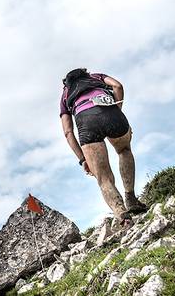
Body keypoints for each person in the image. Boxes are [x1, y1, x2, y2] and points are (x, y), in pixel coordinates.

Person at [59, 68, 147, 226]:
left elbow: (68, 132)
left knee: (103, 178)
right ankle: (131, 198)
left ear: (67, 83)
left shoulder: (65, 94)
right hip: (111, 113)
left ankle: (123, 216)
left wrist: (82, 159)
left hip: (86, 123)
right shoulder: (96, 77)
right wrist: (117, 112)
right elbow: (118, 86)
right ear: (85, 74)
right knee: (124, 150)